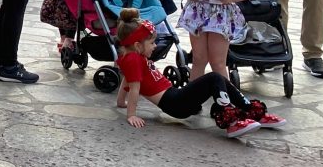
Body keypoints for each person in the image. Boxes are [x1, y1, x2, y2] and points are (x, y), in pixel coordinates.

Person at [114, 10, 285, 137]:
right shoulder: (133, 59)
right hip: (174, 103)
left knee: (218, 80)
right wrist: (131, 114)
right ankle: (231, 122)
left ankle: (253, 112)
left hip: (175, 98)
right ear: (137, 45)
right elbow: (134, 87)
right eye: (151, 43)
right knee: (214, 78)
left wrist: (120, 102)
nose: (154, 46)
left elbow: (126, 80)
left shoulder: (133, 57)